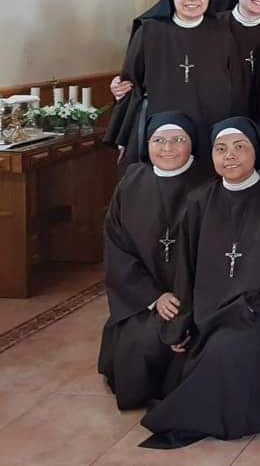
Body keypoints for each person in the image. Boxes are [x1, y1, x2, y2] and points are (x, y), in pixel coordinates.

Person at [141, 118, 260, 449]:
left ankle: (198, 418)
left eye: (239, 147)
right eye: (220, 149)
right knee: (180, 354)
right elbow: (185, 269)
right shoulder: (199, 201)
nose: (229, 156)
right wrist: (181, 323)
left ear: (256, 151)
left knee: (233, 349)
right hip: (211, 311)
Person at [98, 112, 208, 411]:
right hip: (143, 299)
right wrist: (153, 298)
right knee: (141, 341)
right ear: (147, 144)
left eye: (178, 139)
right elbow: (117, 248)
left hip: (197, 298)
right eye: (158, 140)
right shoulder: (131, 183)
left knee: (189, 342)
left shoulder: (209, 183)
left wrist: (184, 303)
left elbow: (217, 252)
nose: (167, 148)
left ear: (192, 144)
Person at [106, 0, 245, 167]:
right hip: (159, 126)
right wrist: (124, 128)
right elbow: (130, 84)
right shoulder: (149, 31)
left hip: (209, 124)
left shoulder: (222, 35)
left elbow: (236, 85)